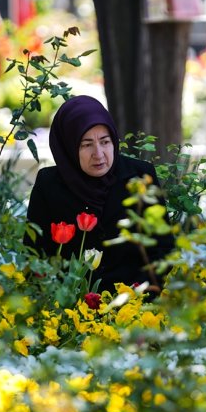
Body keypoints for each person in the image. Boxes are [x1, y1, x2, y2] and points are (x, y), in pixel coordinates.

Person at [24, 95, 174, 295]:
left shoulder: (140, 176)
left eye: (105, 141)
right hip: (68, 306)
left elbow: (163, 248)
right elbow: (35, 254)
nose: (99, 153)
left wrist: (137, 295)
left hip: (135, 306)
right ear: (69, 146)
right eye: (86, 145)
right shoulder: (49, 185)